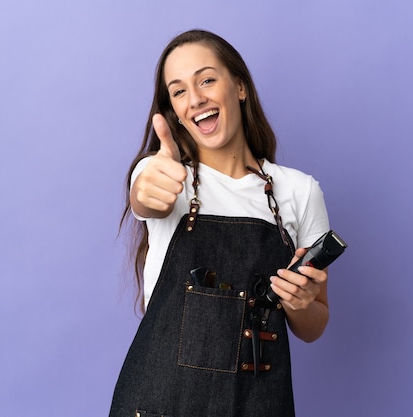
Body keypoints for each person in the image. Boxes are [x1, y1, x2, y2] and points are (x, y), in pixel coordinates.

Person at [110, 29, 330, 417]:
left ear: (240, 87)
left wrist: (300, 302)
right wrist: (145, 192)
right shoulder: (164, 175)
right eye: (178, 91)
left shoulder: (299, 191)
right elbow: (146, 198)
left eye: (207, 79)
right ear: (174, 111)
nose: (195, 99)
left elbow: (314, 326)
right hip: (159, 404)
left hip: (258, 404)